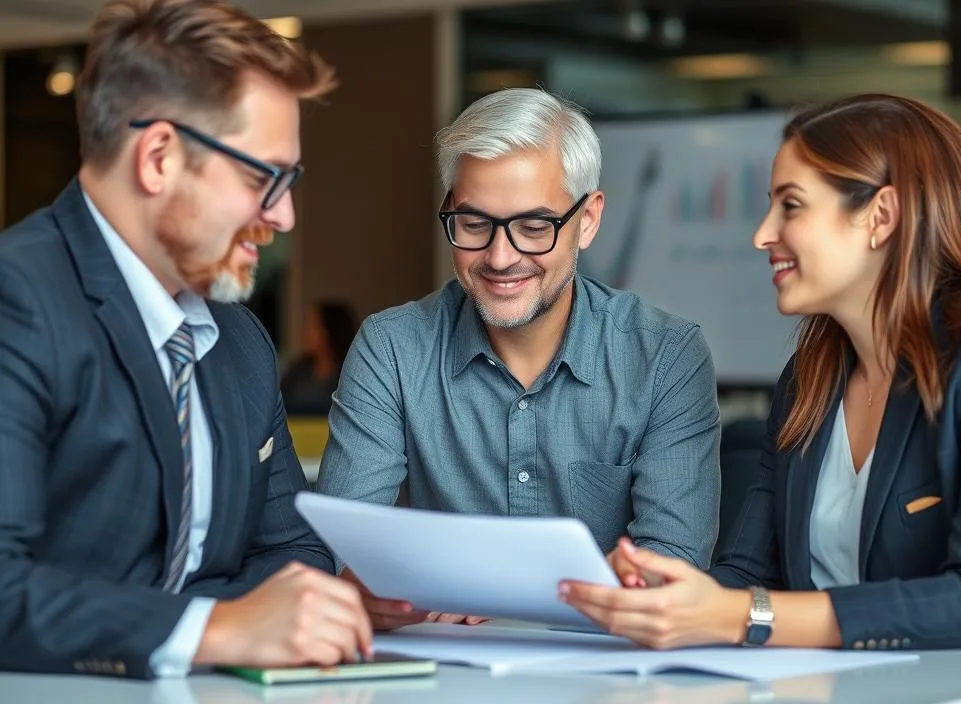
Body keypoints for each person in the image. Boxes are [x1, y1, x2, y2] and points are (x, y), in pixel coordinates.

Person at [559, 93, 961, 652]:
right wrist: (663, 596)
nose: (763, 234)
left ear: (881, 217)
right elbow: (748, 577)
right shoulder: (811, 378)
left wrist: (737, 615)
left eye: (792, 206)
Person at [0, 0, 372, 679]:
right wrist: (217, 628)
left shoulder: (240, 340)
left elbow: (294, 553)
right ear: (160, 156)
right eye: (265, 177)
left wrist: (260, 621)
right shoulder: (17, 298)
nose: (284, 215)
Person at [317, 87, 721, 630]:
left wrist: (490, 591)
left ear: (589, 219)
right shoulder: (392, 348)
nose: (501, 257)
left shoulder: (663, 358)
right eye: (474, 223)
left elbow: (672, 570)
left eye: (535, 226)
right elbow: (344, 558)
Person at [281, 300, 358, 415]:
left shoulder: (350, 376)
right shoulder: (297, 371)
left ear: (330, 331)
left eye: (313, 327)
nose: (306, 332)